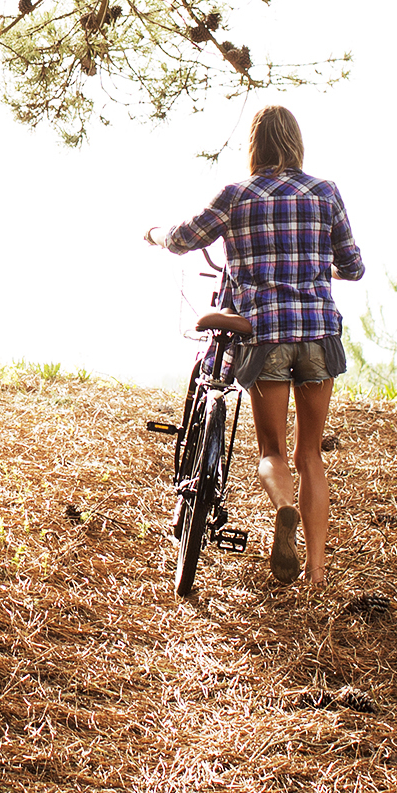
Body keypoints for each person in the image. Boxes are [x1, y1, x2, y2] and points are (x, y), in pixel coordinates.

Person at [146, 104, 364, 590]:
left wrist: (156, 235)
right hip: (318, 335)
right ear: (297, 142)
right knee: (311, 454)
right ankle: (317, 571)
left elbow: (185, 237)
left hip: (265, 334)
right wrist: (315, 266)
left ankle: (283, 506)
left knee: (272, 449)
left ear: (255, 146)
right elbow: (353, 266)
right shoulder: (325, 192)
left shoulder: (237, 194)